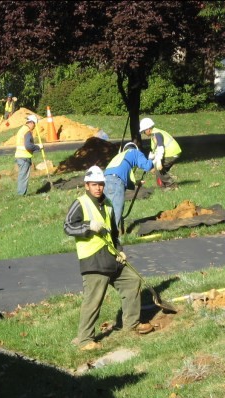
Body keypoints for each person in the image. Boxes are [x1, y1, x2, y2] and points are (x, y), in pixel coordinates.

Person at [64, 165, 154, 351]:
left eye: (101, 184)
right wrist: (88, 226)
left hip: (111, 256)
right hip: (93, 260)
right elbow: (67, 227)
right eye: (94, 184)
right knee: (94, 300)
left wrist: (120, 250)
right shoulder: (80, 203)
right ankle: (85, 340)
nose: (98, 188)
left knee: (132, 281)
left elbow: (113, 232)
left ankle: (131, 324)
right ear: (87, 185)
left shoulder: (108, 204)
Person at [104, 142, 155, 229]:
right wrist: (151, 159)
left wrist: (135, 183)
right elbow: (147, 166)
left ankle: (105, 231)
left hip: (105, 181)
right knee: (117, 209)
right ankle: (113, 236)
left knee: (107, 209)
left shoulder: (119, 157)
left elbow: (122, 175)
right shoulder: (135, 152)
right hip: (116, 181)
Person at [139, 117, 182, 190]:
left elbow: (160, 147)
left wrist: (158, 162)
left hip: (171, 153)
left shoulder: (156, 134)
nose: (144, 133)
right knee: (158, 169)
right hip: (172, 152)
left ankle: (171, 185)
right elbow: (155, 149)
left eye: (144, 131)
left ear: (148, 129)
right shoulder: (154, 134)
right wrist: (152, 159)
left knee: (158, 169)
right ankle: (162, 186)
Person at [14, 114, 42, 195]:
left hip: (20, 156)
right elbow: (28, 146)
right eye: (34, 124)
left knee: (22, 175)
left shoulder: (22, 129)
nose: (34, 127)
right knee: (23, 176)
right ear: (32, 123)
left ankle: (21, 193)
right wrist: (38, 147)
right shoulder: (27, 132)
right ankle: (21, 194)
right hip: (24, 157)